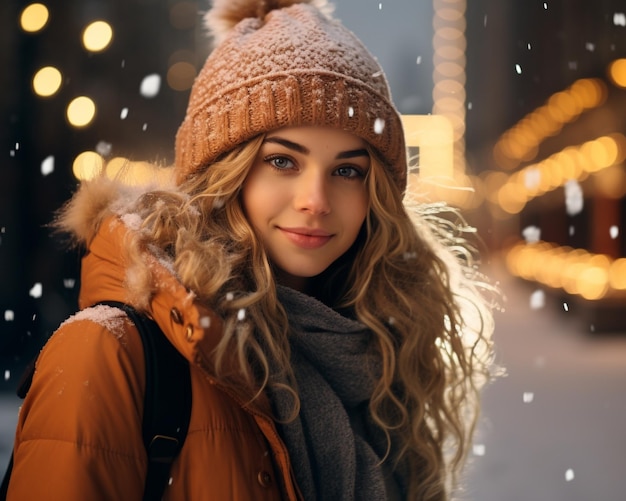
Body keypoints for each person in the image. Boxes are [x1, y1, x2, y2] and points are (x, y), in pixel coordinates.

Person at [6, 0, 495, 499]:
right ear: (224, 174)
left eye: (348, 170)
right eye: (283, 161)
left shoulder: (384, 367)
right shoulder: (108, 353)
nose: (316, 201)